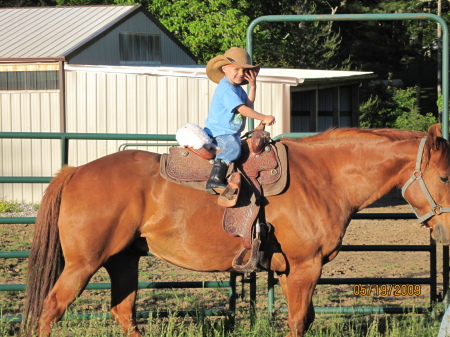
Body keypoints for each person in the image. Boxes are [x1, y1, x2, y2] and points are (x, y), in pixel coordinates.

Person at [204, 47, 276, 194]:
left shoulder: (236, 88)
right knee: (233, 148)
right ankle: (215, 179)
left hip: (230, 132)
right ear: (224, 69)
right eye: (236, 69)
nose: (241, 73)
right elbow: (243, 110)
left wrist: (253, 87)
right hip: (221, 132)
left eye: (244, 70)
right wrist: (264, 117)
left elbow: (248, 105)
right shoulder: (226, 89)